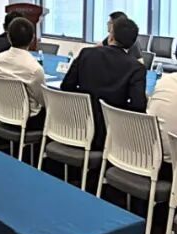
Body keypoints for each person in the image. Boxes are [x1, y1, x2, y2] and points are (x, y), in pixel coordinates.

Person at [62, 16, 147, 149]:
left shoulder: (86, 54)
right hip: (113, 136)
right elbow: (138, 106)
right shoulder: (137, 68)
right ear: (132, 43)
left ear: (111, 37)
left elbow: (66, 86)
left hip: (77, 127)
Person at [0, 17, 47, 130]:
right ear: (32, 38)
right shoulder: (34, 68)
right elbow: (44, 100)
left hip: (2, 113)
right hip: (28, 120)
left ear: (8, 37)